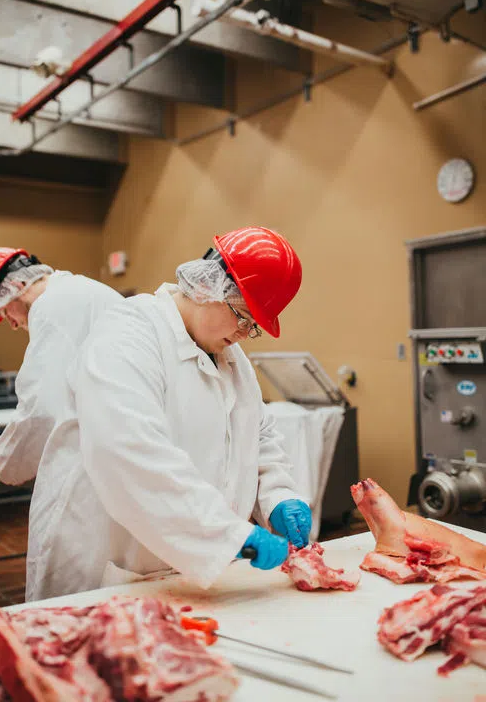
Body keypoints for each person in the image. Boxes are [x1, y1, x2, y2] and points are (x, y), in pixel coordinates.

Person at [25, 226, 312, 601]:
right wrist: (225, 533)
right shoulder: (128, 335)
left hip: (188, 573)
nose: (244, 332)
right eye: (243, 315)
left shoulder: (230, 356)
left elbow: (256, 435)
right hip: (112, 569)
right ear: (209, 286)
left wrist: (278, 495)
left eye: (253, 326)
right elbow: (129, 451)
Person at [0, 247, 123, 484]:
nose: (11, 324)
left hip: (108, 456)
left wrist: (1, 459)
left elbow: (42, 409)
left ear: (18, 285)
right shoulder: (80, 290)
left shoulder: (52, 308)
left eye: (4, 311)